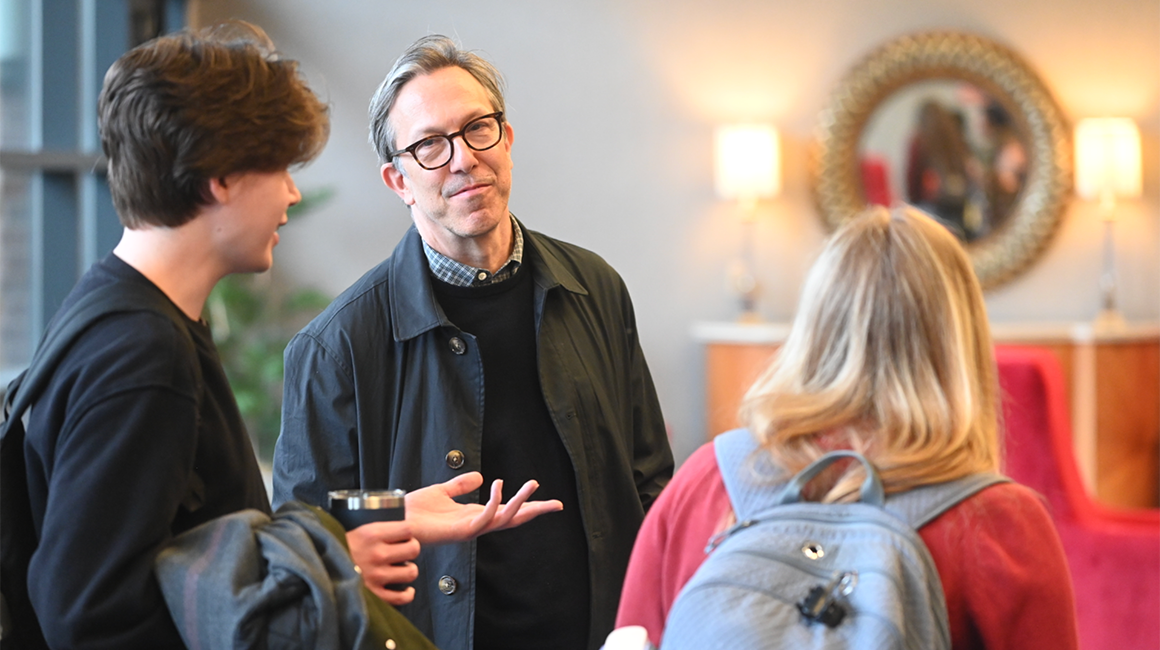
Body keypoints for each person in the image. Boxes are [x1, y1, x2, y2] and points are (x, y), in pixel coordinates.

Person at [19, 22, 553, 649]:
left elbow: (195, 558)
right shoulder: (141, 355)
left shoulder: (129, 316)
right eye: (279, 168)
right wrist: (338, 568)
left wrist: (373, 523)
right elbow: (88, 617)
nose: (293, 195)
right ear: (220, 178)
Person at [273, 34, 674, 650]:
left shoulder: (596, 287)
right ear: (398, 180)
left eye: (476, 129)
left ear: (506, 141)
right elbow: (308, 552)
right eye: (430, 145)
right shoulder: (336, 347)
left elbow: (650, 484)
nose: (461, 159)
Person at [614, 206, 1079, 650]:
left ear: (813, 325)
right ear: (961, 342)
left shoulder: (706, 479)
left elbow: (633, 635)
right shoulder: (998, 524)